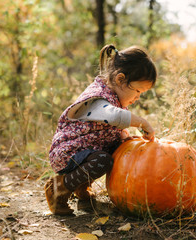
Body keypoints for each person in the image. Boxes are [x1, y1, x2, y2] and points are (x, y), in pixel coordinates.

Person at [44, 44, 157, 215]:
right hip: (68, 153)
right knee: (103, 160)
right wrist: (142, 122)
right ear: (120, 79)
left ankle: (81, 189)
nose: (137, 97)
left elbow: (111, 128)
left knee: (111, 152)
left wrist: (125, 137)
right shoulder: (98, 98)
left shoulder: (115, 100)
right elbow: (112, 116)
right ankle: (59, 187)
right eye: (138, 91)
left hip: (84, 153)